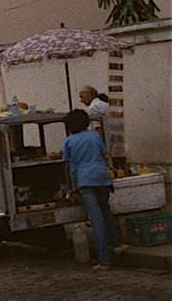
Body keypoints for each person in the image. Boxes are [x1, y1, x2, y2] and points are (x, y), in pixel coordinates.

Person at [63, 109, 128, 270]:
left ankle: (104, 260)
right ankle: (117, 244)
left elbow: (69, 166)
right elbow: (104, 156)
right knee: (106, 211)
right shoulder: (95, 136)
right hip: (101, 177)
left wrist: (71, 187)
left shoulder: (69, 141)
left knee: (96, 218)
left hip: (84, 180)